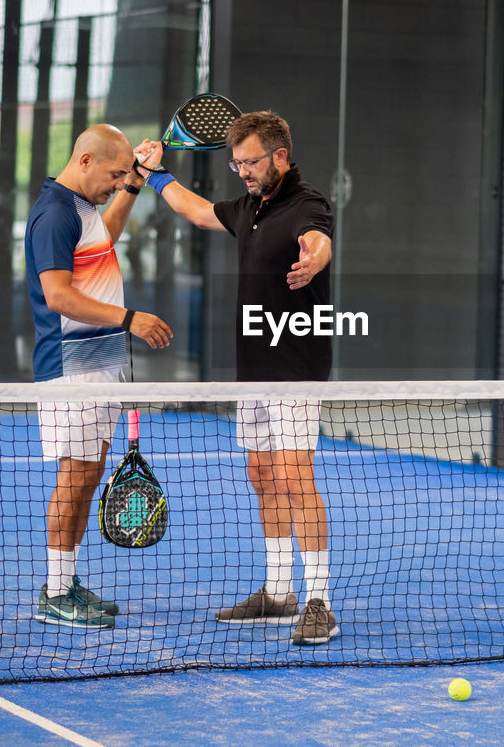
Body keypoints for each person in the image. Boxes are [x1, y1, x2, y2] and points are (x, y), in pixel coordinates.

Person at [133, 110, 337, 645]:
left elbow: (318, 241)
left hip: (296, 369)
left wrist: (312, 262)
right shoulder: (248, 206)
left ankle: (319, 602)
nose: (242, 172)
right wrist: (156, 175)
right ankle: (277, 592)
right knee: (262, 475)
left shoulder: (306, 202)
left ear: (280, 158)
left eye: (250, 163)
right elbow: (198, 211)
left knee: (296, 478)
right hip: (254, 369)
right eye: (236, 163)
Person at [25, 124, 173, 629]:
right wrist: (132, 319)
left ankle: (66, 584)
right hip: (73, 366)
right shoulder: (54, 213)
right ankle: (54, 592)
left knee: (88, 476)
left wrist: (135, 182)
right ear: (85, 161)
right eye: (112, 174)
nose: (115, 182)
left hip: (99, 361)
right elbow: (59, 296)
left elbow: (105, 237)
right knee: (76, 476)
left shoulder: (82, 208)